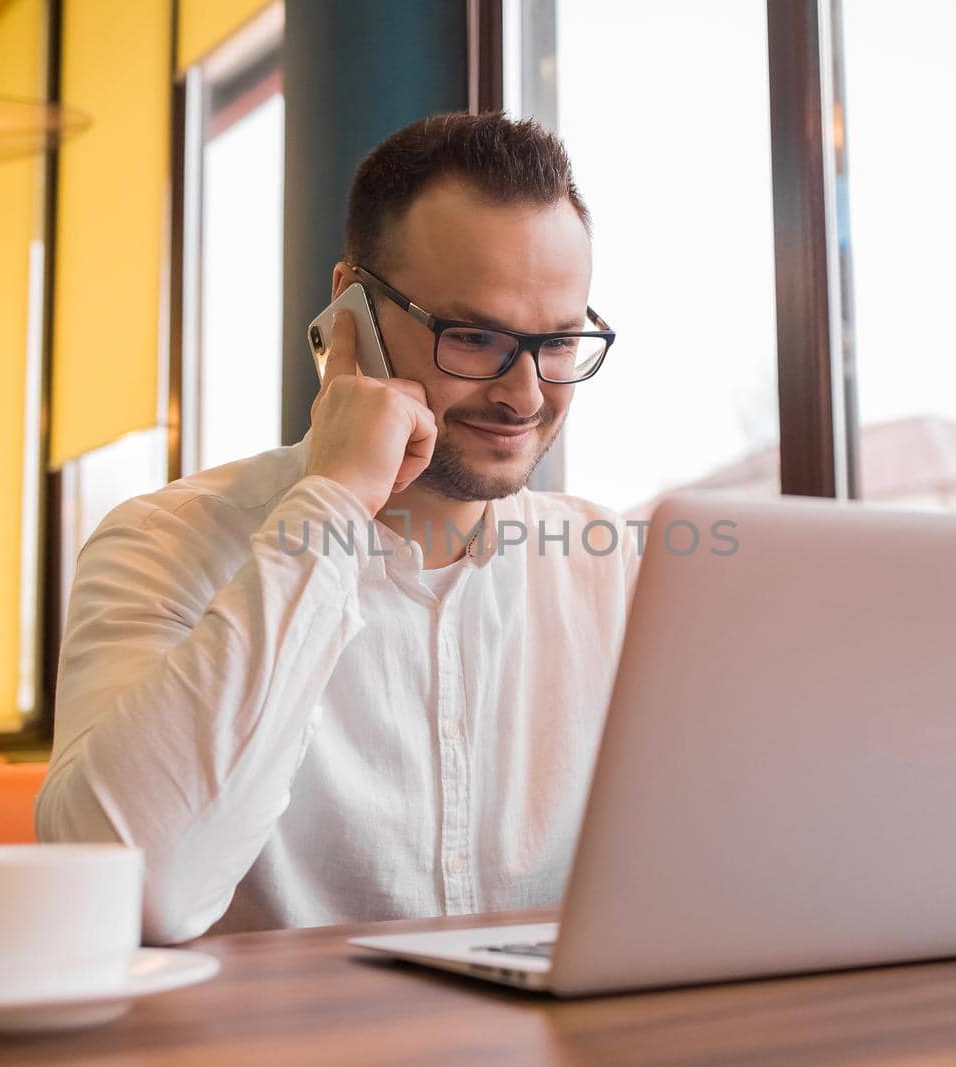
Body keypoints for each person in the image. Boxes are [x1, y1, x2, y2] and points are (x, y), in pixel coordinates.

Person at [36, 112, 638, 944]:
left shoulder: (619, 573)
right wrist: (334, 500)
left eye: (560, 341)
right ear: (349, 309)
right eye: (475, 338)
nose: (527, 395)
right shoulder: (163, 543)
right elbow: (127, 891)